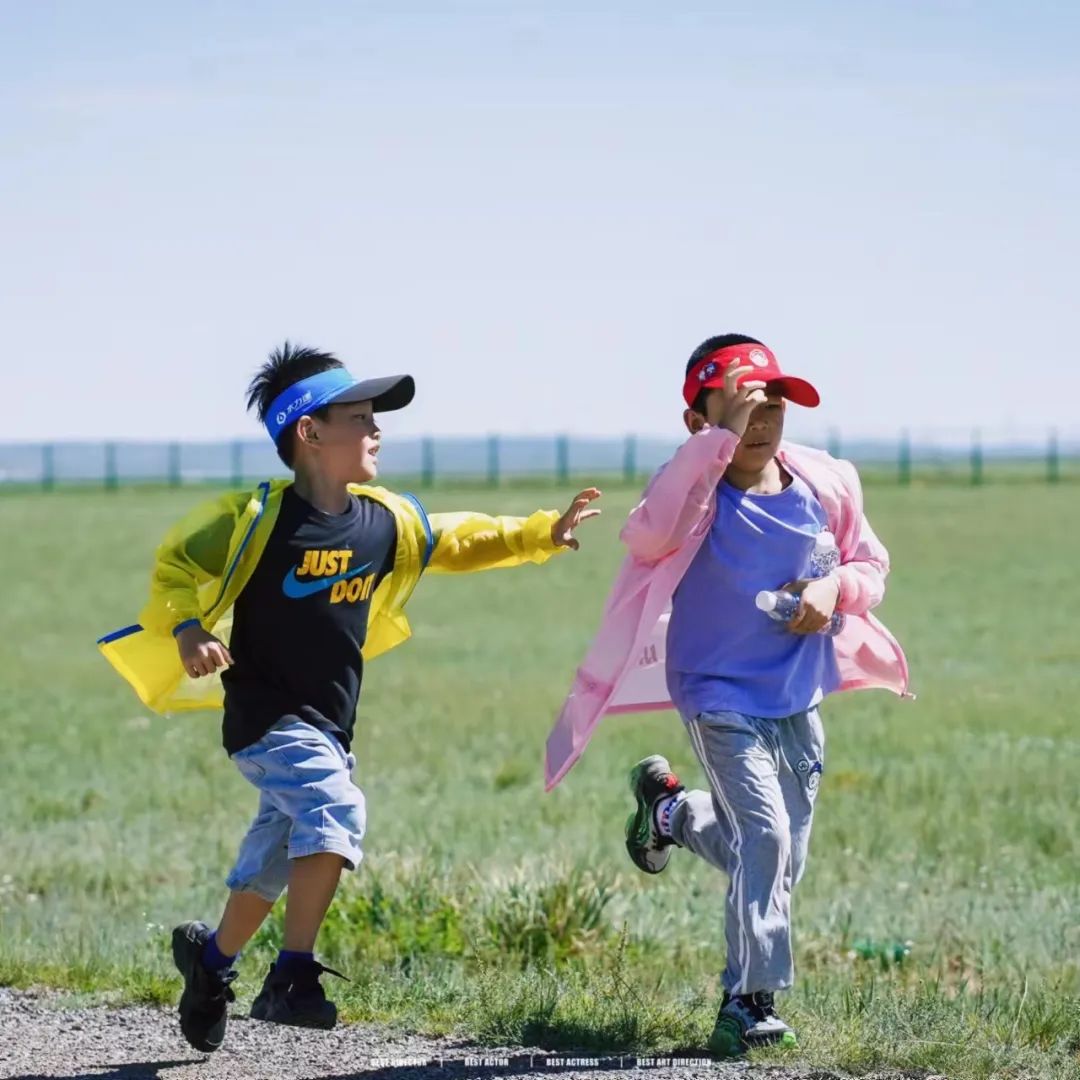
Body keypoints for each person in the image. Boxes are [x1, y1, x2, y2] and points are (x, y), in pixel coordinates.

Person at [98, 342, 601, 1053]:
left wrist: (539, 532)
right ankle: (291, 977)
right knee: (336, 810)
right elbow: (178, 561)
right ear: (309, 434)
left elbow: (453, 539)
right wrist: (186, 626)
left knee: (275, 860)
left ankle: (209, 965)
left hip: (329, 723)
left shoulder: (381, 519)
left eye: (375, 418)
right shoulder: (254, 517)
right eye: (359, 418)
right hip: (265, 717)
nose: (376, 431)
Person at [544, 333, 909, 1056]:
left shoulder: (823, 485)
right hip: (716, 693)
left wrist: (837, 587)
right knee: (767, 839)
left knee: (776, 857)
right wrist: (714, 446)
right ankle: (749, 1000)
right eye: (743, 402)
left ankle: (672, 813)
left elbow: (870, 562)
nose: (763, 415)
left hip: (800, 692)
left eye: (773, 398)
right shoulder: (690, 494)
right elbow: (648, 535)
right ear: (699, 422)